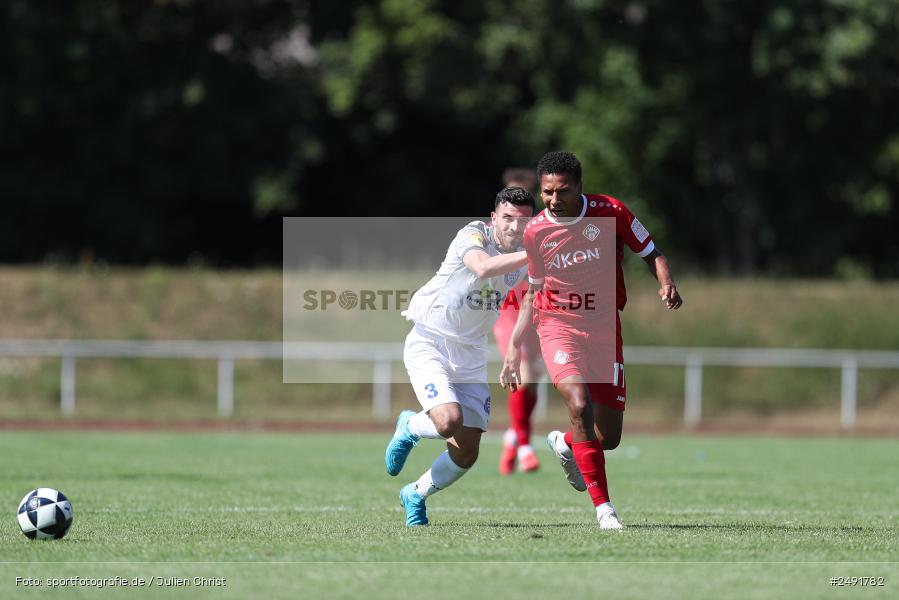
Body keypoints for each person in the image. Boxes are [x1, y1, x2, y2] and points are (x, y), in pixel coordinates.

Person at [500, 151, 683, 530]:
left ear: (580, 187)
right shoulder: (535, 230)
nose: (553, 200)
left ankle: (566, 444)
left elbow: (652, 252)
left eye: (561, 191)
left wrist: (665, 282)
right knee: (578, 404)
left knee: (608, 437)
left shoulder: (611, 212)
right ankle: (605, 510)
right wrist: (514, 348)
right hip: (556, 325)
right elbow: (533, 291)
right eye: (547, 192)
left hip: (603, 328)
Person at [385, 186, 536, 526]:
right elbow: (483, 268)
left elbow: (531, 299)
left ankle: (416, 493)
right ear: (494, 217)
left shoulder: (529, 252)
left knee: (467, 450)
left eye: (524, 221)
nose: (515, 227)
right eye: (508, 219)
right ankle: (410, 425)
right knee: (448, 421)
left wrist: (514, 347)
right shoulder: (472, 234)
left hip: (470, 353)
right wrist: (535, 253)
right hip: (431, 341)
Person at [494, 168, 544, 475]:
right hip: (508, 309)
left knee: (534, 375)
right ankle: (525, 444)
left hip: (536, 307)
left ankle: (513, 436)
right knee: (522, 370)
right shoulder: (494, 230)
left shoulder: (537, 228)